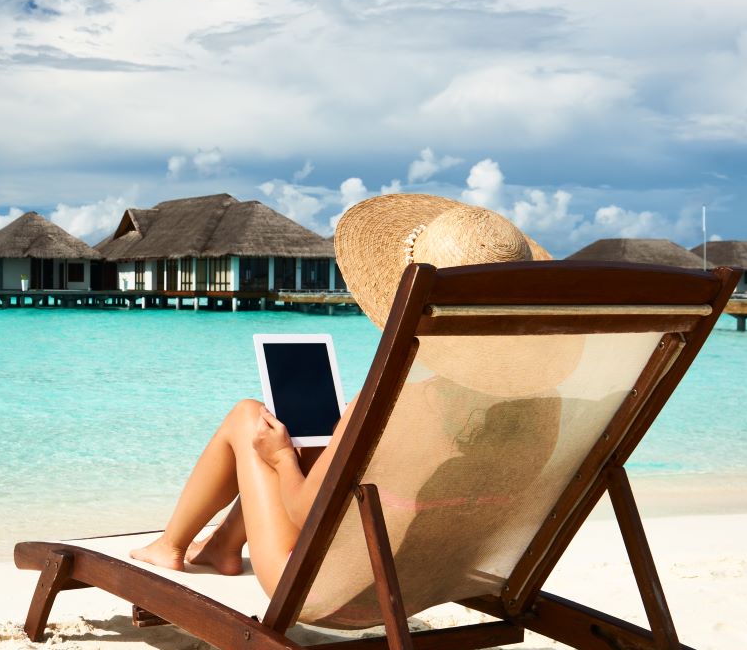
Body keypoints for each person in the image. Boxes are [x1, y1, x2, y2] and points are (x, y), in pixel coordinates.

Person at [130, 193, 555, 599]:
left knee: (250, 418)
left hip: (326, 588)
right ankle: (223, 545)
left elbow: (303, 513)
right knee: (322, 444)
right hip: (433, 577)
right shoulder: (543, 409)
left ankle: (170, 545)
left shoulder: (392, 407)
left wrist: (280, 458)